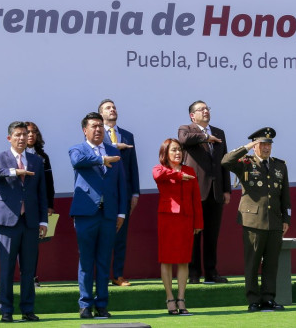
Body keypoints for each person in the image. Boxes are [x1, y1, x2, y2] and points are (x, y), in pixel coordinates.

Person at [0, 121, 48, 322]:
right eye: (18, 135)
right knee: (7, 268)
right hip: (7, 221)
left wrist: (43, 221)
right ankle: (6, 310)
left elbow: (41, 193)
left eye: (24, 134)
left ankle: (28, 309)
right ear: (9, 138)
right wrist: (13, 172)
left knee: (28, 269)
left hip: (30, 222)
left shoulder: (36, 160)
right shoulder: (0, 157)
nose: (22, 138)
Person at [222, 127, 291, 312]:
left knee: (271, 263)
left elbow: (285, 195)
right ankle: (253, 299)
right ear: (255, 146)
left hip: (275, 221)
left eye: (269, 144)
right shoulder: (245, 163)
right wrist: (246, 146)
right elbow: (225, 161)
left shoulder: (279, 165)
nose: (266, 148)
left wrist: (287, 218)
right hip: (252, 221)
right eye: (262, 144)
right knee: (252, 262)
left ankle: (268, 299)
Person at [69, 112, 127, 319]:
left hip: (109, 214)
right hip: (86, 213)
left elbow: (121, 183)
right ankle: (85, 304)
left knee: (104, 260)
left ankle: (102, 304)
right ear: (85, 130)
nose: (98, 129)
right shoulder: (78, 149)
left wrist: (121, 212)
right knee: (86, 260)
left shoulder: (114, 150)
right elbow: (78, 162)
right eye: (94, 126)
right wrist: (102, 159)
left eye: (101, 126)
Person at [178, 100, 231, 284]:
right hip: (195, 192)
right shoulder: (186, 129)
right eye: (202, 109)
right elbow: (184, 140)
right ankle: (194, 273)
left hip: (215, 192)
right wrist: (205, 138)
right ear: (193, 115)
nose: (206, 111)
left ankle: (211, 272)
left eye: (208, 108)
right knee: (194, 235)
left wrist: (226, 189)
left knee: (212, 235)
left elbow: (224, 162)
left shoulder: (219, 132)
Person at [153, 139, 203, 316]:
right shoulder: (160, 169)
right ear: (165, 153)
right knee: (166, 259)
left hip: (186, 220)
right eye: (173, 150)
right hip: (167, 219)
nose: (178, 153)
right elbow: (159, 177)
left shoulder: (189, 170)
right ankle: (169, 298)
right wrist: (179, 175)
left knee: (184, 260)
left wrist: (198, 223)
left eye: (179, 150)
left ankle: (181, 298)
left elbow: (196, 199)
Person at [99, 99, 141, 287]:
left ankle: (118, 274)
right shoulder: (97, 134)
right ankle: (100, 275)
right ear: (101, 114)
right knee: (103, 236)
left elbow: (133, 166)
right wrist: (117, 147)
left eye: (114, 107)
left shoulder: (127, 135)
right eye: (108, 108)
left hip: (124, 193)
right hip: (104, 194)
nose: (112, 109)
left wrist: (135, 193)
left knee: (120, 236)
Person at [25, 121, 55, 288]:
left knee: (34, 242)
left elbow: (49, 183)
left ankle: (33, 275)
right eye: (27, 132)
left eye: (34, 132)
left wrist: (50, 204)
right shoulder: (15, 155)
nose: (30, 135)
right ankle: (25, 275)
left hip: (38, 205)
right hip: (21, 206)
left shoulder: (43, 158)